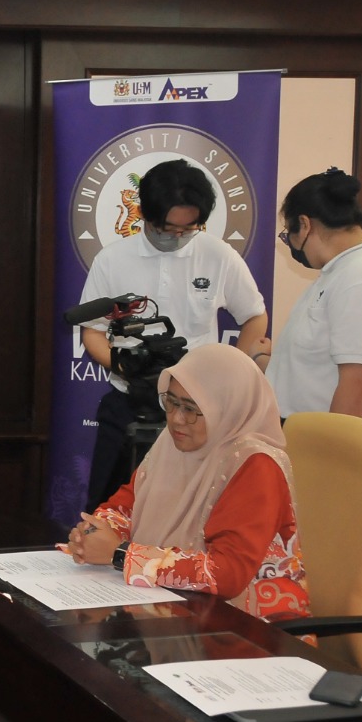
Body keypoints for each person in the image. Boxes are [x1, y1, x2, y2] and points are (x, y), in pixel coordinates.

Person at [65, 343, 310, 623]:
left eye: (191, 409)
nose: (176, 419)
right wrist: (95, 532)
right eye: (171, 402)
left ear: (227, 409)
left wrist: (121, 554)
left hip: (246, 626)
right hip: (177, 608)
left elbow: (228, 573)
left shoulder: (255, 464)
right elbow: (126, 506)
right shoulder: (174, 443)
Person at [76, 159, 268, 511]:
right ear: (145, 217)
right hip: (130, 403)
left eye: (187, 230)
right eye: (166, 229)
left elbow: (255, 316)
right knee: (108, 508)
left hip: (197, 411)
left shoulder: (218, 256)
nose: (176, 238)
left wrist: (231, 372)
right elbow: (93, 331)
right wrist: (126, 368)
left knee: (190, 512)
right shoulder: (112, 259)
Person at [258, 168, 362, 424]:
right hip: (305, 430)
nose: (292, 246)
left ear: (305, 224)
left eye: (288, 235)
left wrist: (331, 445)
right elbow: (316, 371)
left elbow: (360, 383)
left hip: (335, 436)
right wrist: (263, 360)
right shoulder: (339, 273)